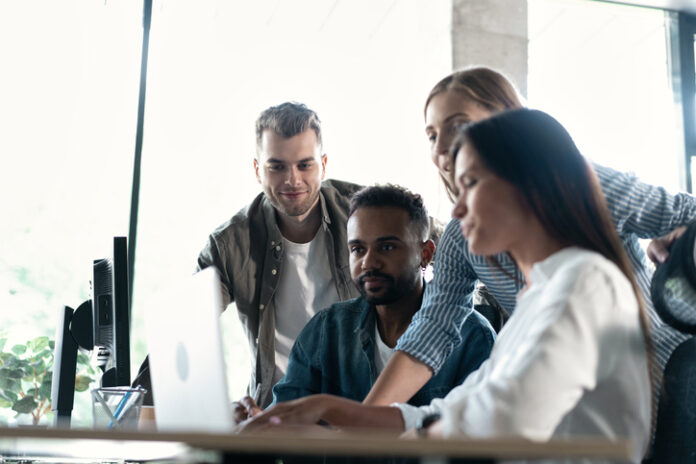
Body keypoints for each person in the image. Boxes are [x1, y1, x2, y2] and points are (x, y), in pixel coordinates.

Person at [241, 109, 653, 463]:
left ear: (532, 185)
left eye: (471, 183)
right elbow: (453, 410)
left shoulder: (586, 282)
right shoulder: (537, 298)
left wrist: (342, 433)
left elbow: (501, 422)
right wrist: (322, 410)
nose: (456, 208)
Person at [363, 67, 696, 408]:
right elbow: (432, 330)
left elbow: (690, 212)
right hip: (585, 402)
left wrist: (678, 237)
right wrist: (362, 419)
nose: (443, 149)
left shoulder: (585, 184)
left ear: (511, 122)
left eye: (459, 126)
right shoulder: (462, 238)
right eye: (432, 135)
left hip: (671, 380)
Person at [135, 102, 364, 408]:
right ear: (258, 170)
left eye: (304, 165)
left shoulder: (363, 211)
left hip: (359, 411)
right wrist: (132, 407)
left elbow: (435, 239)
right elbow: (186, 327)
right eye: (277, 166)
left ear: (323, 164)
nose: (292, 180)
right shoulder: (230, 243)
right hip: (275, 416)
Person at [234, 185, 494, 421]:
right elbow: (286, 421)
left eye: (387, 248)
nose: (369, 262)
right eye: (358, 249)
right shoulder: (326, 331)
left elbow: (479, 437)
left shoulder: (473, 337)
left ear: (425, 254)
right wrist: (254, 418)